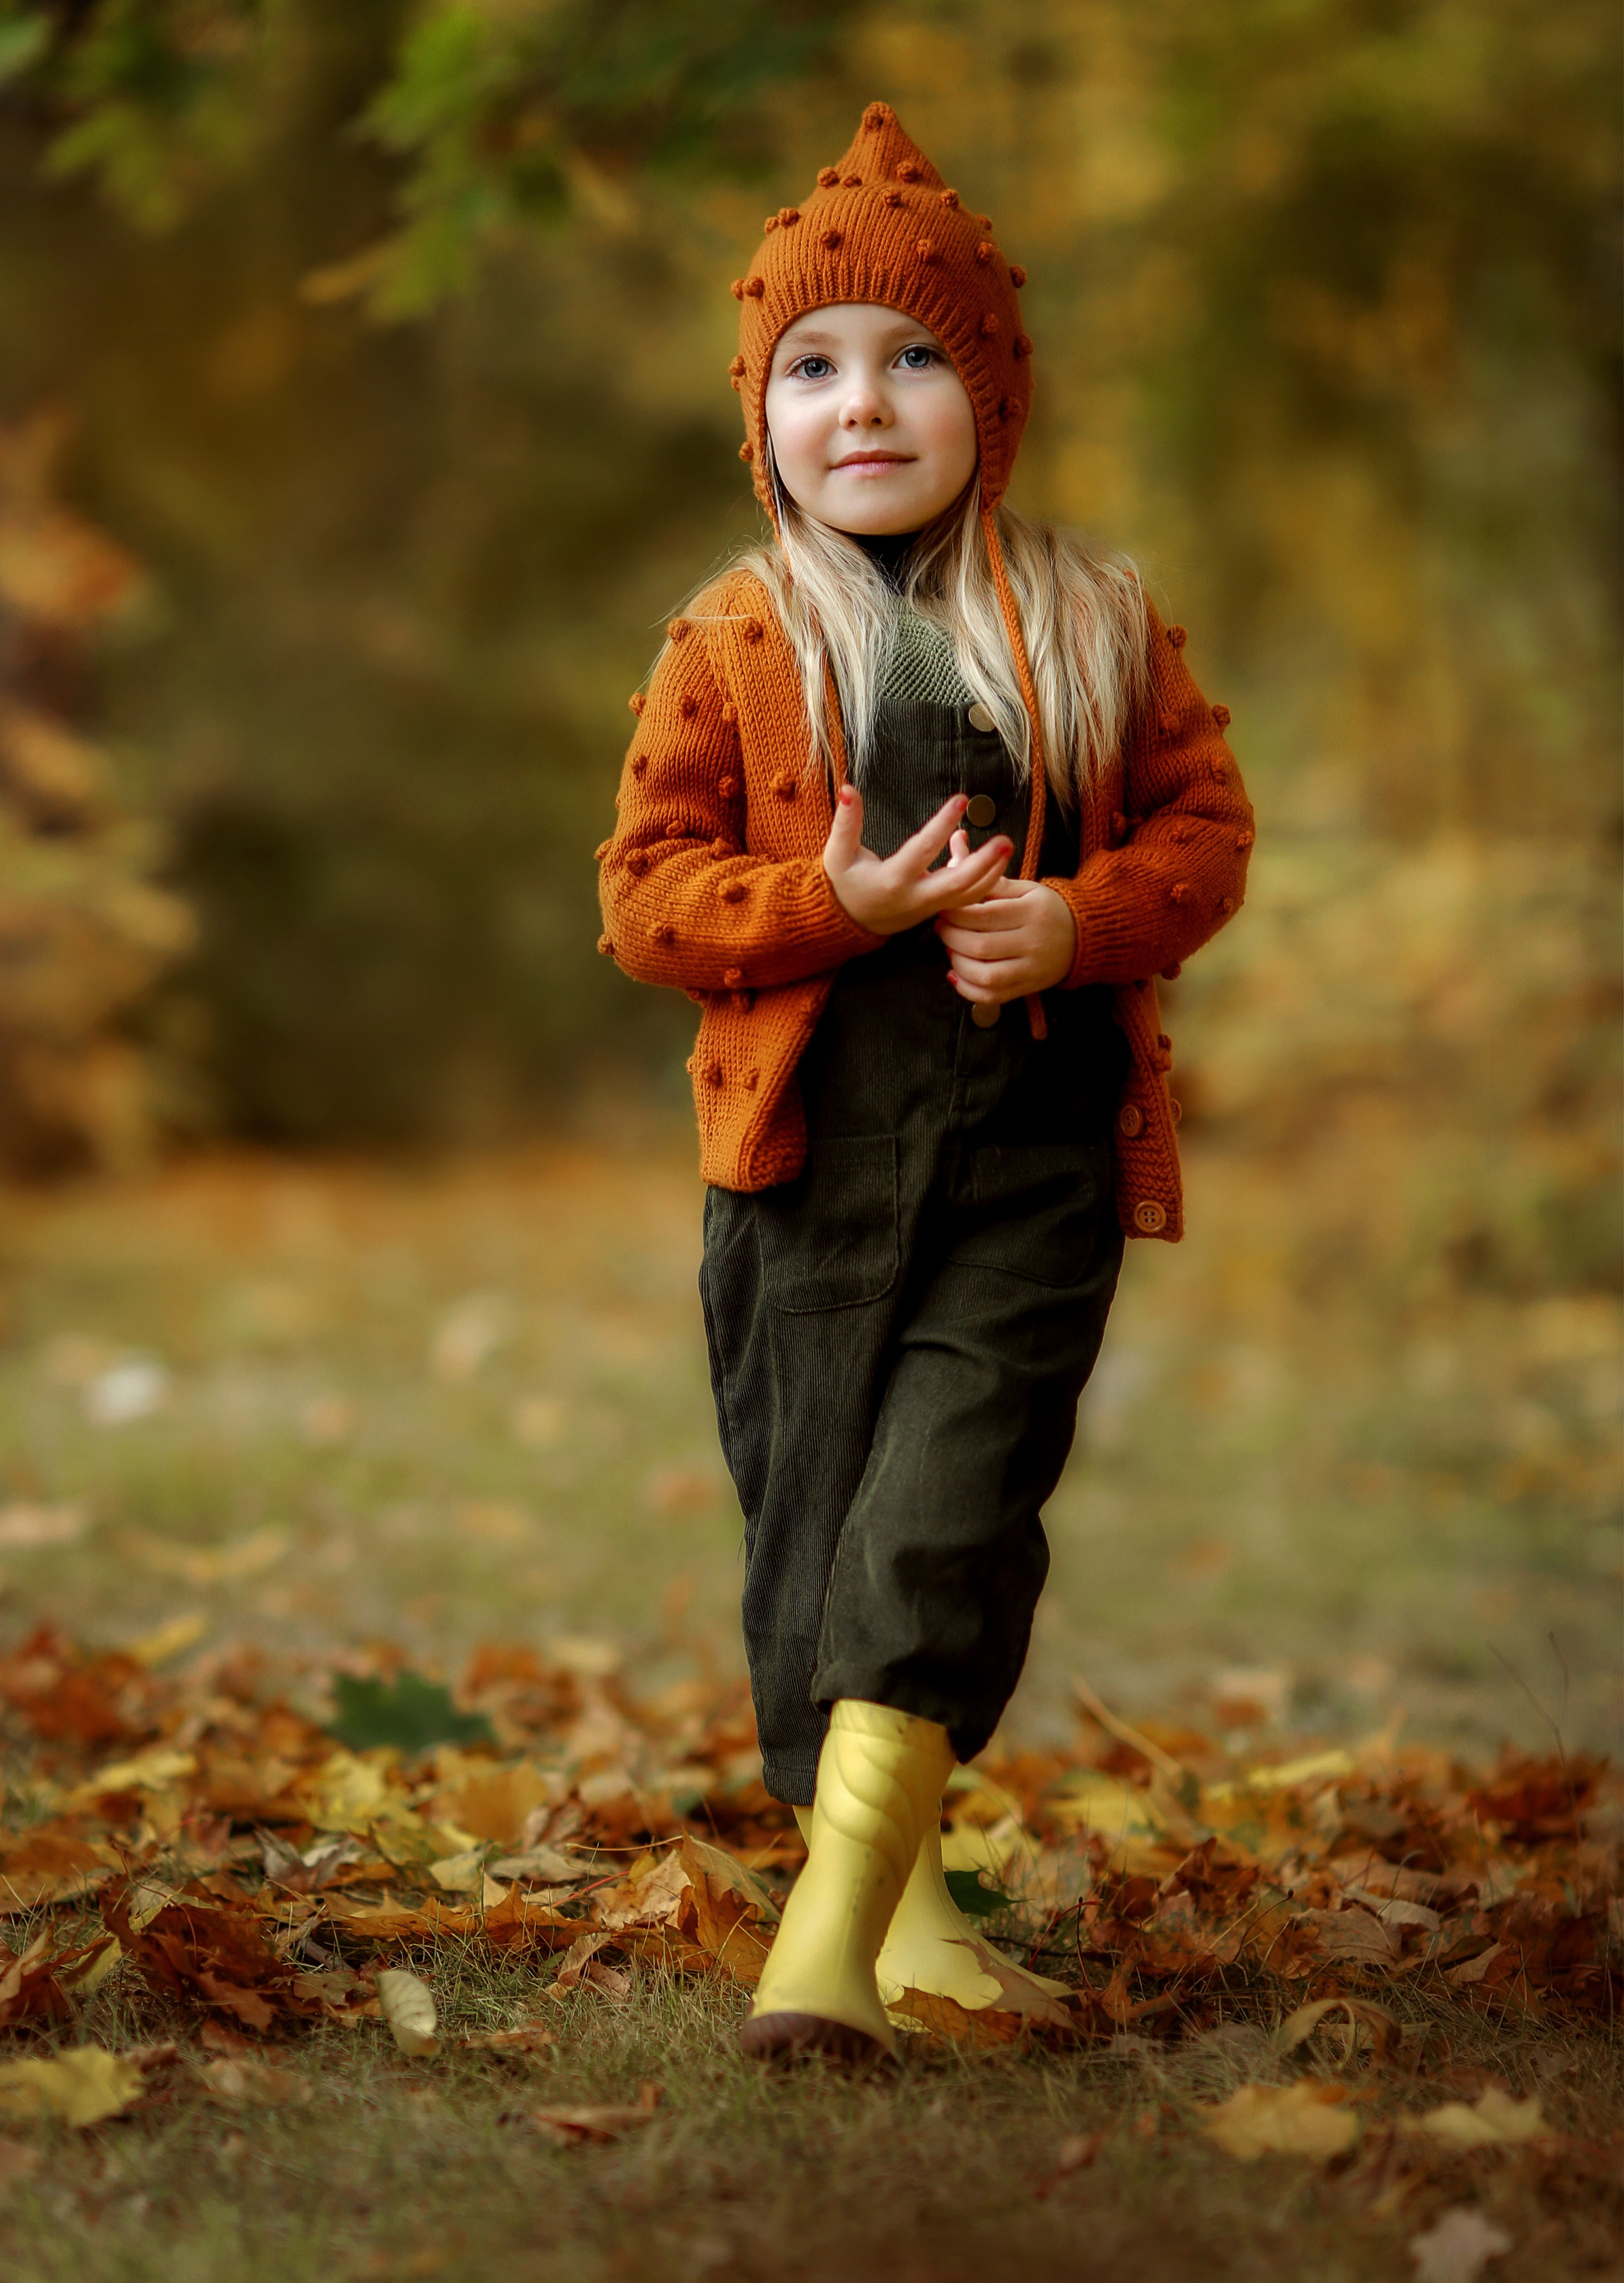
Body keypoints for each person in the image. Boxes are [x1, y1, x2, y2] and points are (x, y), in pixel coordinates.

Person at [596, 102, 1254, 2063]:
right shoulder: (733, 639)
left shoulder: (1090, 617)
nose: (862, 403)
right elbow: (644, 901)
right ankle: (907, 1914)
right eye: (814, 366)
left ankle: (820, 1958)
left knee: (949, 1511)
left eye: (913, 358)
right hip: (805, 1161)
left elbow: (1208, 834)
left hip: (1028, 1145)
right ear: (760, 408)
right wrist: (832, 896)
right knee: (815, 1520)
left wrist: (1078, 919)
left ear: (995, 389)